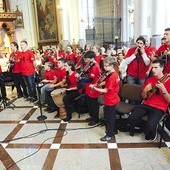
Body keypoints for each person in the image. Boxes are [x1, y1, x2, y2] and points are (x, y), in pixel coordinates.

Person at [127, 59, 170, 141]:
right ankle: (148, 125)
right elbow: (143, 97)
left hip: (160, 107)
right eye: (152, 67)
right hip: (147, 104)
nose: (153, 70)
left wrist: (164, 89)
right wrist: (145, 90)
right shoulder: (150, 80)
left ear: (162, 68)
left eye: (156, 67)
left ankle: (152, 127)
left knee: (149, 132)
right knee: (131, 119)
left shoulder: (168, 81)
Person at [90, 56, 120, 141]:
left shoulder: (112, 76)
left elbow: (106, 90)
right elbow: (105, 82)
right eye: (104, 65)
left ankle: (109, 135)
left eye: (107, 66)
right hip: (112, 98)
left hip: (110, 99)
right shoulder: (111, 73)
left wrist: (94, 88)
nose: (104, 67)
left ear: (112, 66)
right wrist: (98, 84)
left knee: (109, 118)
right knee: (111, 116)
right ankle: (114, 130)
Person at [77, 51, 101, 126]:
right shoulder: (90, 64)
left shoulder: (95, 66)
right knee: (89, 103)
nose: (85, 61)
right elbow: (86, 73)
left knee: (94, 105)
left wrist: (81, 79)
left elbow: (91, 79)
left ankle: (96, 119)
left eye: (87, 59)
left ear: (92, 58)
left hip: (94, 87)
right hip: (89, 87)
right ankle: (92, 116)